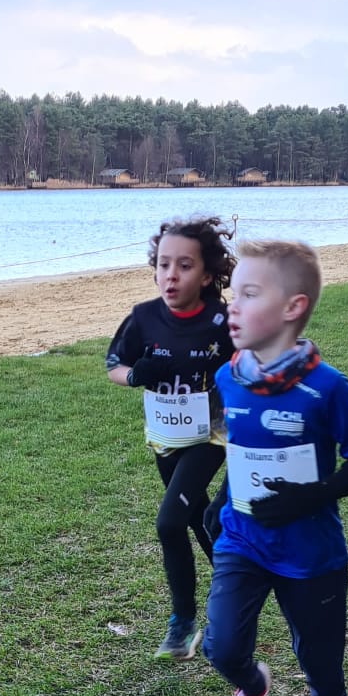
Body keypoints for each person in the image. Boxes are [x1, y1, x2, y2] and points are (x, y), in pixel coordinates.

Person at [202, 239, 348, 696]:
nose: (231, 306)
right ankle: (252, 690)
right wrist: (220, 501)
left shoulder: (328, 388)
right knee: (222, 646)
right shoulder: (228, 377)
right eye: (232, 294)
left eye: (249, 293)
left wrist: (313, 493)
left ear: (293, 307)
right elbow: (240, 447)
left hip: (311, 553)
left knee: (319, 659)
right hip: (243, 538)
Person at [107, 216, 236, 658]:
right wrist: (136, 374)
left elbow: (251, 363)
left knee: (168, 523)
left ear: (205, 273)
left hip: (210, 437)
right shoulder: (143, 317)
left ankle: (182, 624)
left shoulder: (222, 319)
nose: (171, 275)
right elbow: (113, 366)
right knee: (201, 522)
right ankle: (237, 597)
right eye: (164, 264)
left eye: (184, 265)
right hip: (164, 439)